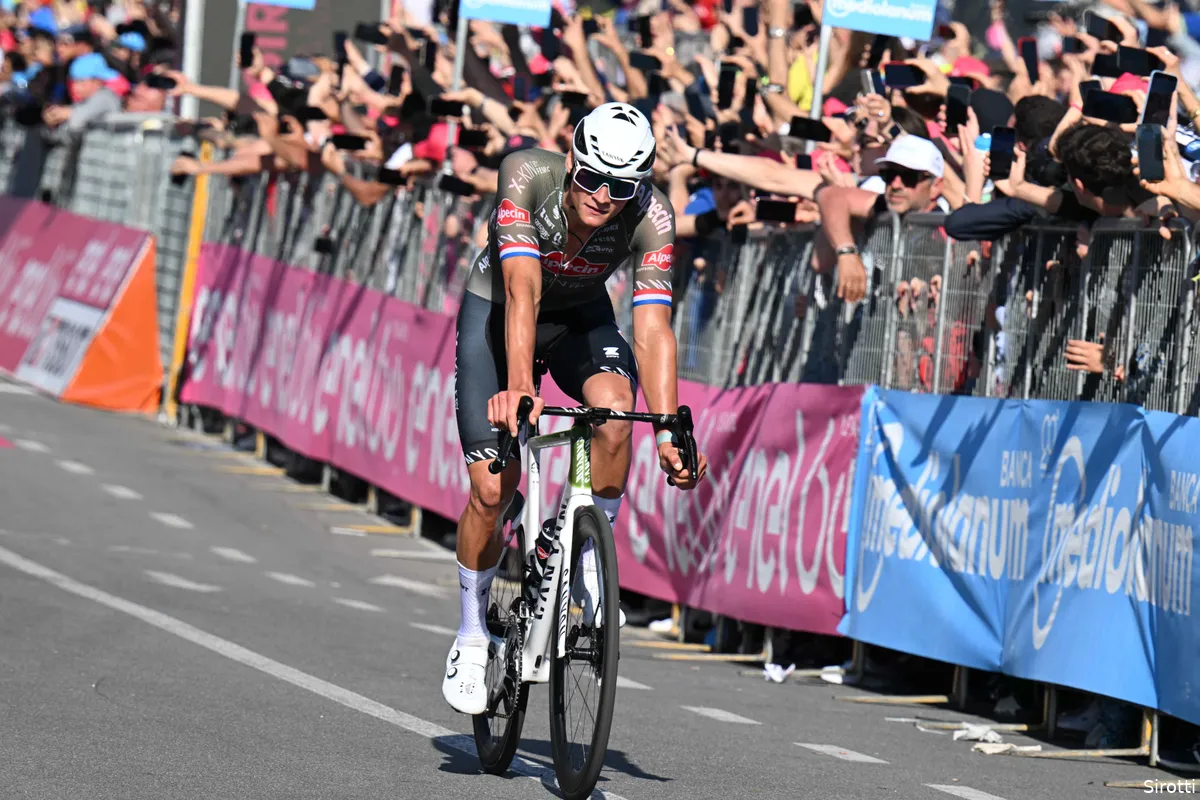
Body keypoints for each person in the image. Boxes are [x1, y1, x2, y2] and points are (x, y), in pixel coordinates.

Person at [445, 103, 709, 715]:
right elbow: (522, 292)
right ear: (570, 161)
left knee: (618, 411)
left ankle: (588, 559)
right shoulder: (523, 175)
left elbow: (652, 329)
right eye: (589, 178)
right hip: (500, 312)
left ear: (638, 185)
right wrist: (517, 386)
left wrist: (669, 426)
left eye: (619, 187)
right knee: (490, 491)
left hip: (581, 322)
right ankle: (470, 631)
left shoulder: (654, 214)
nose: (600, 196)